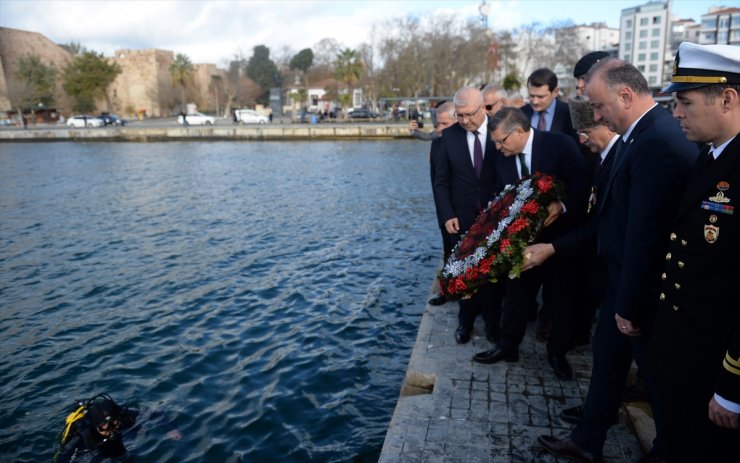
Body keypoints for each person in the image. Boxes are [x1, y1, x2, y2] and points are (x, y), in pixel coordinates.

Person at [531, 58, 699, 463]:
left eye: (601, 106)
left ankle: (669, 451)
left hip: (639, 288)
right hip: (619, 279)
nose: (598, 115)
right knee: (608, 362)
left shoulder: (655, 141)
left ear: (625, 95)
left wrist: (627, 304)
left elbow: (646, 235)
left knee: (655, 380)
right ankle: (589, 437)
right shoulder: (638, 135)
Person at [648, 42, 740, 462]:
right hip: (683, 351)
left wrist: (732, 388)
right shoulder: (709, 156)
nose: (676, 113)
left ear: (727, 98)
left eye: (684, 102)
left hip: (715, 364)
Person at [472, 107, 589, 381]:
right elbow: (492, 191)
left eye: (502, 141)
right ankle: (507, 346)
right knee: (516, 295)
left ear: (520, 132)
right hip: (521, 242)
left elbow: (584, 182)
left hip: (559, 240)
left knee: (560, 300)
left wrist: (563, 205)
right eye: (495, 143)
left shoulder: (559, 144)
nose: (498, 148)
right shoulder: (500, 155)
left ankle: (557, 353)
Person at [432, 86, 499, 344]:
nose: (464, 120)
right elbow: (441, 181)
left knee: (493, 276)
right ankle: (465, 322)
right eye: (459, 115)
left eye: (469, 114)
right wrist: (447, 214)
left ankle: (493, 326)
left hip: (495, 217)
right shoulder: (449, 137)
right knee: (465, 274)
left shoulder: (499, 129)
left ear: (483, 107)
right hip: (461, 218)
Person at [53, 393, 181, 462]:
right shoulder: (84, 438)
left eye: (114, 423)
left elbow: (154, 413)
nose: (110, 430)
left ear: (118, 417)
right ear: (95, 426)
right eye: (104, 427)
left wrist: (170, 428)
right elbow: (62, 459)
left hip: (123, 443)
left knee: (132, 454)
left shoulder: (126, 416)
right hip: (98, 451)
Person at [427, 102, 459, 306]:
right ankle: (448, 290)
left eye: (444, 124)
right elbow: (435, 181)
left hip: (468, 207)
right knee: (449, 250)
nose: (439, 129)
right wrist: (443, 212)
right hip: (445, 209)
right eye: (438, 124)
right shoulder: (437, 143)